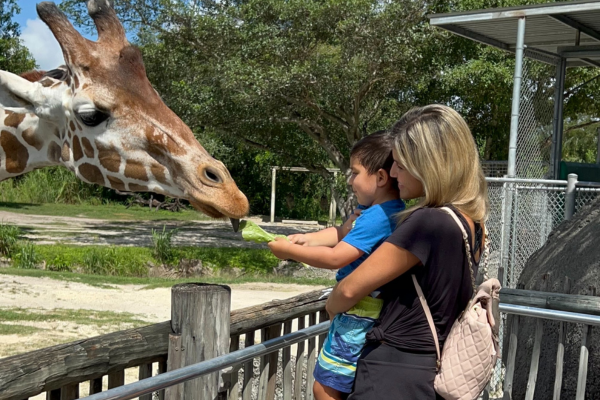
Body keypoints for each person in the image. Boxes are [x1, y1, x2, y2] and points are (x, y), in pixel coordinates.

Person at [325, 104, 488, 399]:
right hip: (431, 371)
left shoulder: (427, 222)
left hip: (393, 374)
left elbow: (349, 290)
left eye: (400, 163)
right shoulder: (471, 223)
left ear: (429, 164)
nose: (393, 171)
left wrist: (331, 307)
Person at [268, 131, 405, 400]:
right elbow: (342, 233)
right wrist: (305, 239)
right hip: (361, 309)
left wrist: (291, 252)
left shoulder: (377, 216)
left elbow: (337, 257)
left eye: (355, 173)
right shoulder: (379, 210)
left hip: (359, 311)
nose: (351, 181)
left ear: (379, 177)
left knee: (326, 386)